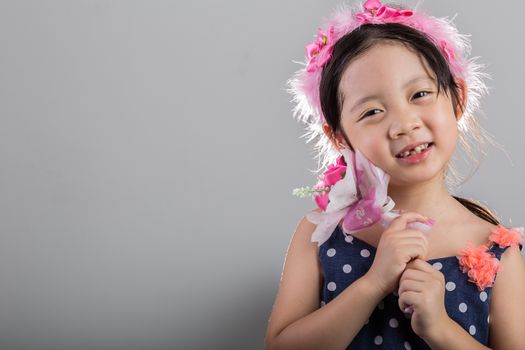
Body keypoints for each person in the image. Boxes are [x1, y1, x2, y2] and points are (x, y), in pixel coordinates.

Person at [265, 1, 525, 349]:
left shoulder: (496, 250)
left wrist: (440, 328)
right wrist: (373, 283)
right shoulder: (320, 235)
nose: (404, 124)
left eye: (420, 94)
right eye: (372, 111)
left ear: (458, 98)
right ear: (340, 137)